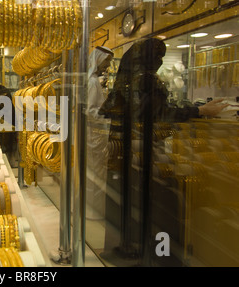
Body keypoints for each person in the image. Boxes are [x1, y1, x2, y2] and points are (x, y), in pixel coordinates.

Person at [98, 38, 228, 263]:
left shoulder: (126, 79)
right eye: (158, 56)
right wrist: (199, 111)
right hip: (143, 152)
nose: (159, 62)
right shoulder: (147, 80)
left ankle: (127, 248)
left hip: (123, 153)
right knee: (166, 202)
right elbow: (161, 115)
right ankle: (160, 255)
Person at [85, 46, 114, 220]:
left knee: (94, 172)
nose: (108, 65)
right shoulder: (93, 82)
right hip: (94, 135)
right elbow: (90, 110)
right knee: (95, 173)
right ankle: (93, 211)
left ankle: (92, 209)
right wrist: (106, 115)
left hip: (94, 134)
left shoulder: (93, 80)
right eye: (107, 61)